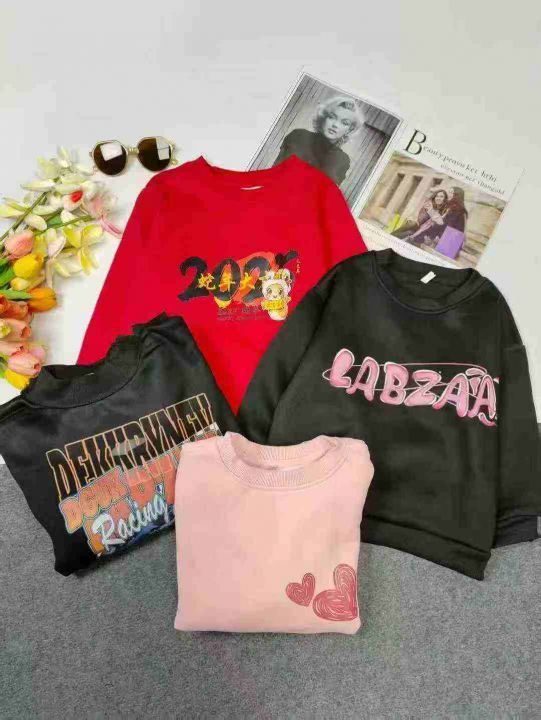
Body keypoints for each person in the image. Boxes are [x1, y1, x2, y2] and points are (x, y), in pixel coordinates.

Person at [273, 95, 364, 185]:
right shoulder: (298, 136)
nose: (335, 125)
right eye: (332, 117)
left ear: (349, 130)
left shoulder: (342, 160)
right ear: (324, 117)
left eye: (344, 123)